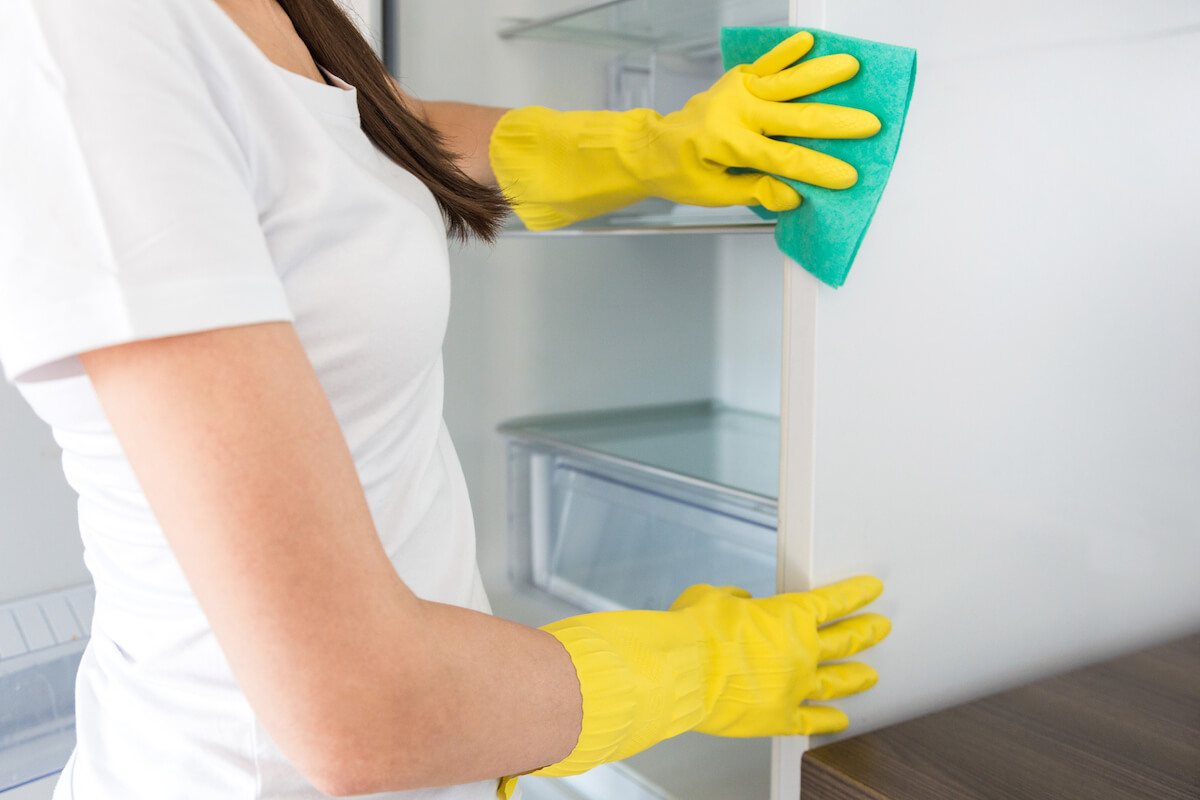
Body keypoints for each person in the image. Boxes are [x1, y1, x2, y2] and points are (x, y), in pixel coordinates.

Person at [0, 1, 891, 798]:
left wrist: (652, 146)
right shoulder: (82, 34)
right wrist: (702, 668)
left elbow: (381, 134)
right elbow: (366, 710)